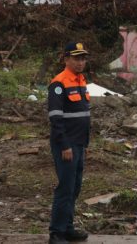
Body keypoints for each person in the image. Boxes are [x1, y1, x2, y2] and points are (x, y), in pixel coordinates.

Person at [48, 42, 92, 243]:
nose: (80, 62)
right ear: (66, 59)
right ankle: (56, 232)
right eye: (76, 58)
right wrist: (65, 145)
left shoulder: (81, 80)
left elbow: (82, 115)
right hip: (66, 145)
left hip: (79, 144)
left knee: (75, 187)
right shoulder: (59, 83)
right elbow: (56, 118)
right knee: (65, 188)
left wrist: (84, 145)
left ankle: (67, 227)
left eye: (83, 58)